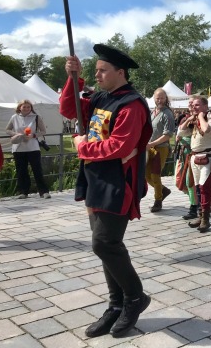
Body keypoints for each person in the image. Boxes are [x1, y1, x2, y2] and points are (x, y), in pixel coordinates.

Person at [60, 45, 152, 339]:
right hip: (94, 179)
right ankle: (115, 305)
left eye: (102, 70)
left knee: (104, 243)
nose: (96, 74)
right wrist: (73, 79)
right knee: (105, 248)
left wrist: (81, 146)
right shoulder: (101, 96)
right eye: (96, 69)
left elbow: (120, 146)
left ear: (120, 73)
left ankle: (135, 298)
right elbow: (69, 109)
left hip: (118, 183)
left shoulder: (132, 105)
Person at [188, 95, 211, 233]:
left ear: (205, 106)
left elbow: (207, 129)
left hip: (207, 158)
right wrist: (192, 118)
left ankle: (205, 219)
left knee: (205, 188)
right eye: (193, 105)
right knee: (197, 188)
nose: (193, 107)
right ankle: (201, 215)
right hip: (195, 157)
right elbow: (180, 131)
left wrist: (201, 116)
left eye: (197, 105)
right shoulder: (194, 120)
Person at [6, 100, 50, 199]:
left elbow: (43, 131)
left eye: (28, 107)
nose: (26, 109)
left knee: (37, 170)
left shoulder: (36, 117)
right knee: (21, 171)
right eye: (24, 107)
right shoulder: (14, 117)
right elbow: (7, 130)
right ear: (19, 107)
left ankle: (44, 191)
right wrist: (16, 134)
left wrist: (33, 135)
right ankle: (23, 192)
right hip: (18, 148)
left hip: (33, 147)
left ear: (31, 108)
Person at [146, 88, 175, 213]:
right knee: (147, 175)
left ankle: (158, 201)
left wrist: (152, 143)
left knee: (155, 175)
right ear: (154, 98)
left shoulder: (167, 114)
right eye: (157, 98)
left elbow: (168, 135)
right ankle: (163, 190)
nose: (159, 100)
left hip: (161, 148)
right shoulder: (153, 113)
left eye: (162, 98)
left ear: (166, 98)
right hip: (150, 148)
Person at [175, 97, 196, 221]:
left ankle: (195, 207)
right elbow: (180, 131)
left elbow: (181, 132)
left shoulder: (203, 117)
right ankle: (196, 202)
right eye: (189, 103)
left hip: (195, 153)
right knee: (180, 181)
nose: (190, 105)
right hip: (184, 154)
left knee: (191, 182)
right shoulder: (187, 117)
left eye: (193, 103)